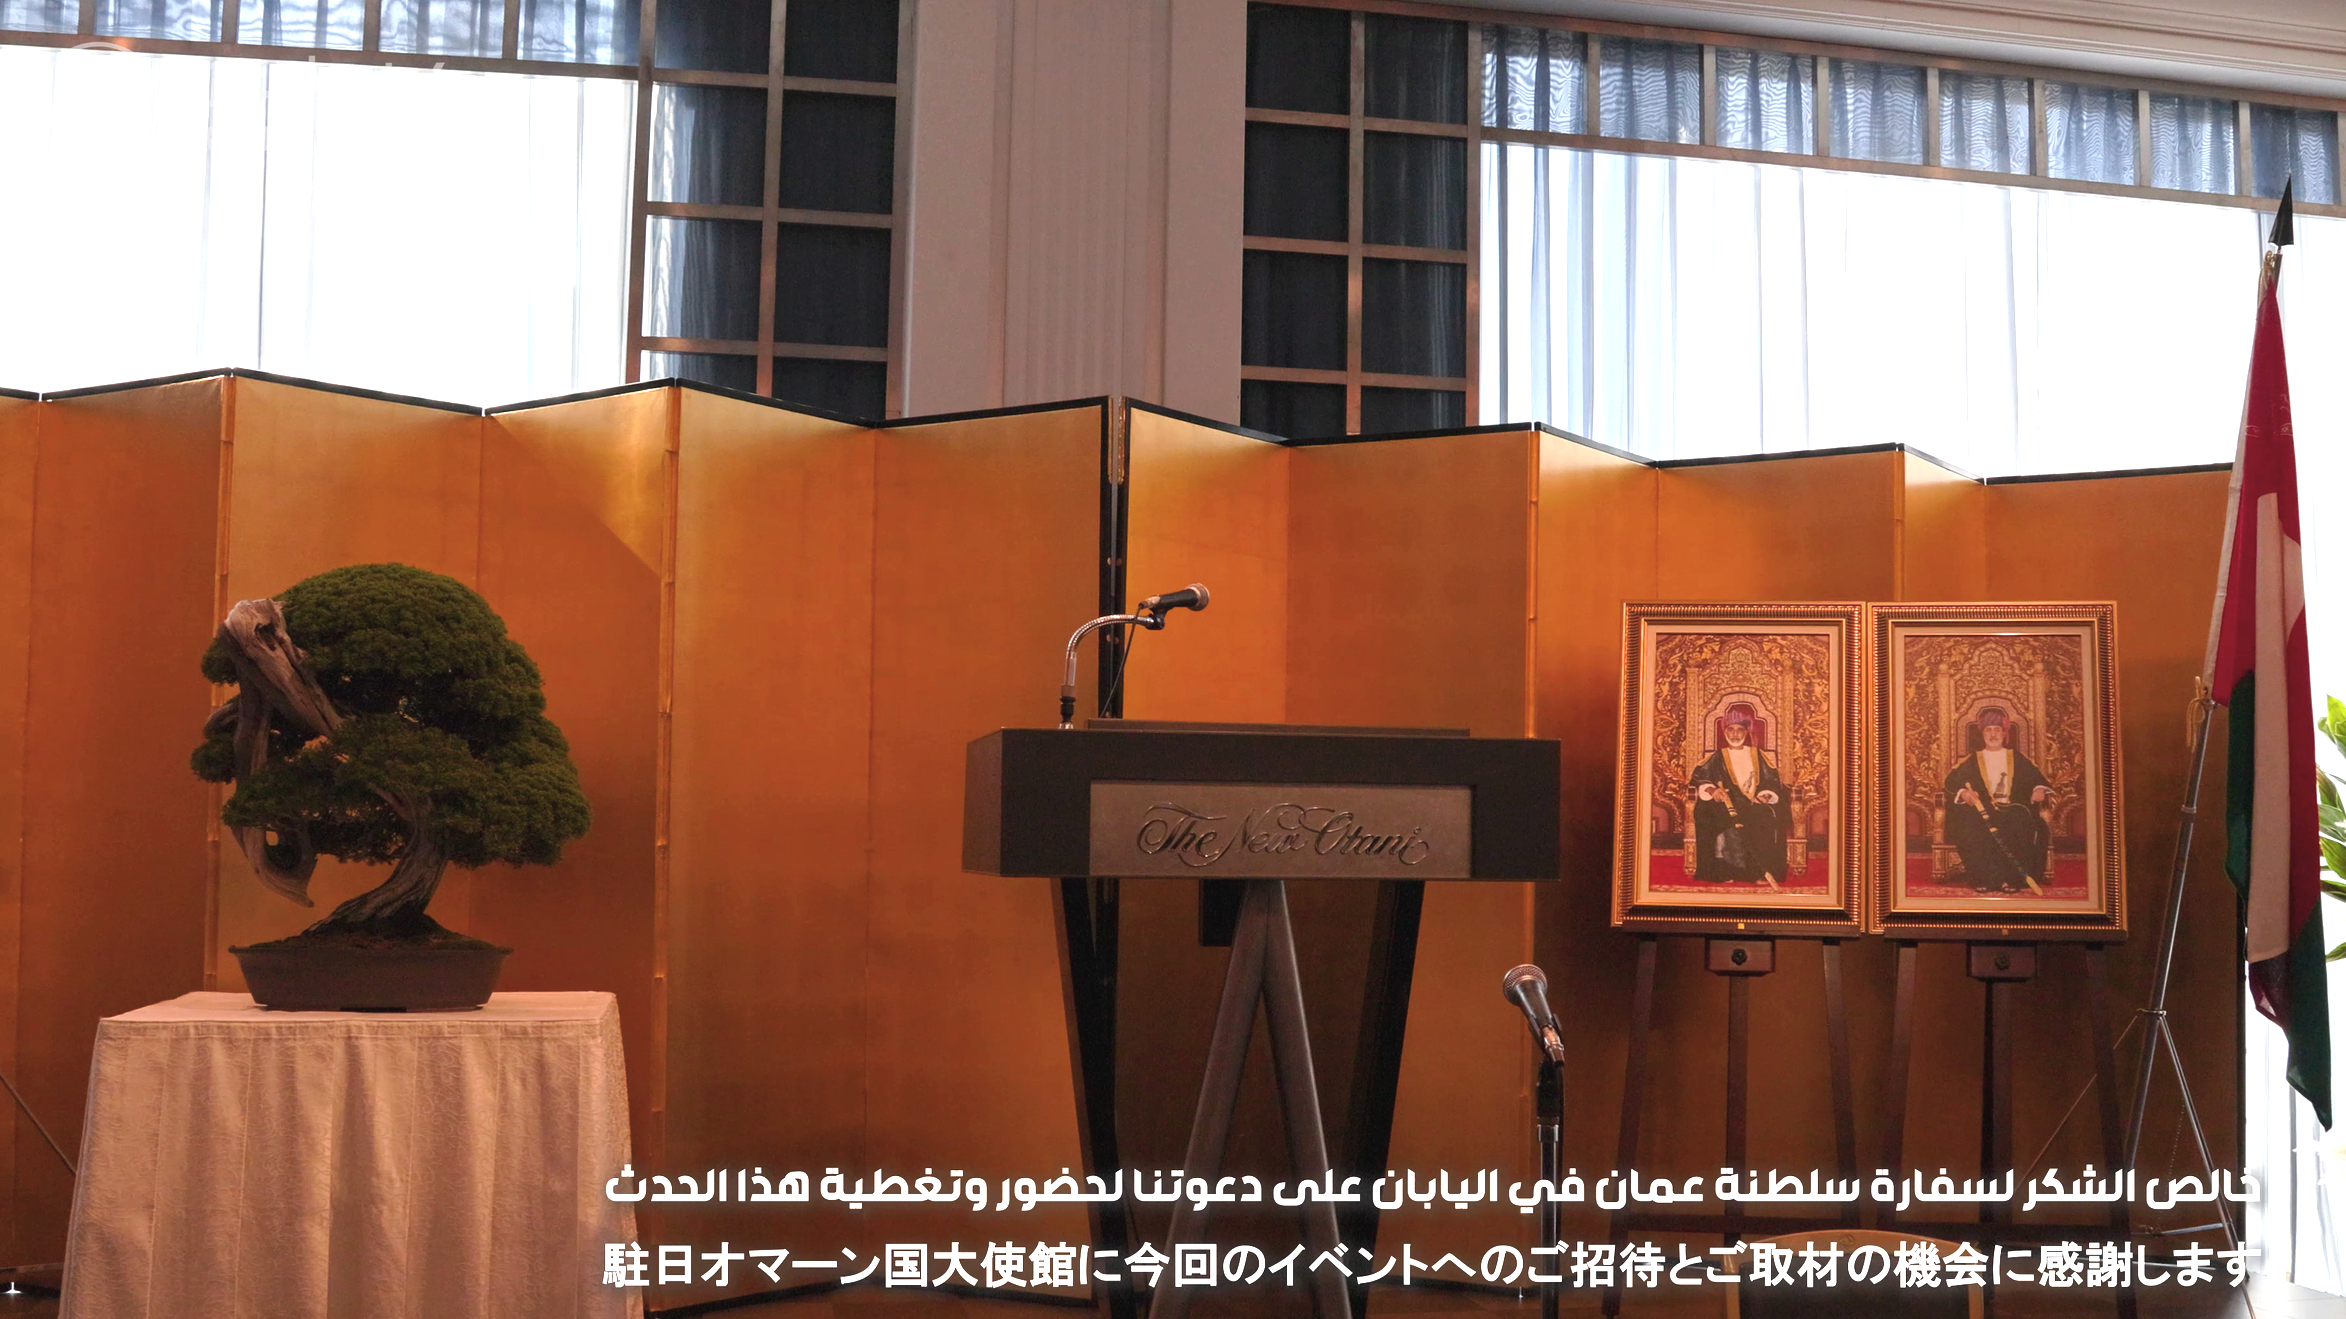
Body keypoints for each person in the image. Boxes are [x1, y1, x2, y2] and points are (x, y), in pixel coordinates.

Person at [1942, 708, 2053, 894]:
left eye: (1997, 730)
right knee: (1970, 826)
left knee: (2020, 824)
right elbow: (1951, 782)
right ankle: (1984, 879)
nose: (1993, 734)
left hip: (2013, 809)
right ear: (1982, 733)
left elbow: (2036, 778)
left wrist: (2039, 789)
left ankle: (2011, 879)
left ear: (2004, 733)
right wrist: (1963, 793)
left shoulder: (2017, 758)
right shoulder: (1972, 760)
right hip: (1982, 810)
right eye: (1988, 730)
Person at [1687, 706, 1790, 886]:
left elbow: (1772, 781)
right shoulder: (1717, 757)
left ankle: (1760, 871)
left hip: (1754, 803)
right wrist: (1712, 790)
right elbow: (1699, 778)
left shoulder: (1758, 755)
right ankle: (1724, 871)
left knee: (1766, 816)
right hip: (1725, 803)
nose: (1735, 734)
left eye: (1739, 730)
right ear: (1724, 732)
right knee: (1714, 815)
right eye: (1730, 730)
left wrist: (1765, 796)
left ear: (1746, 732)